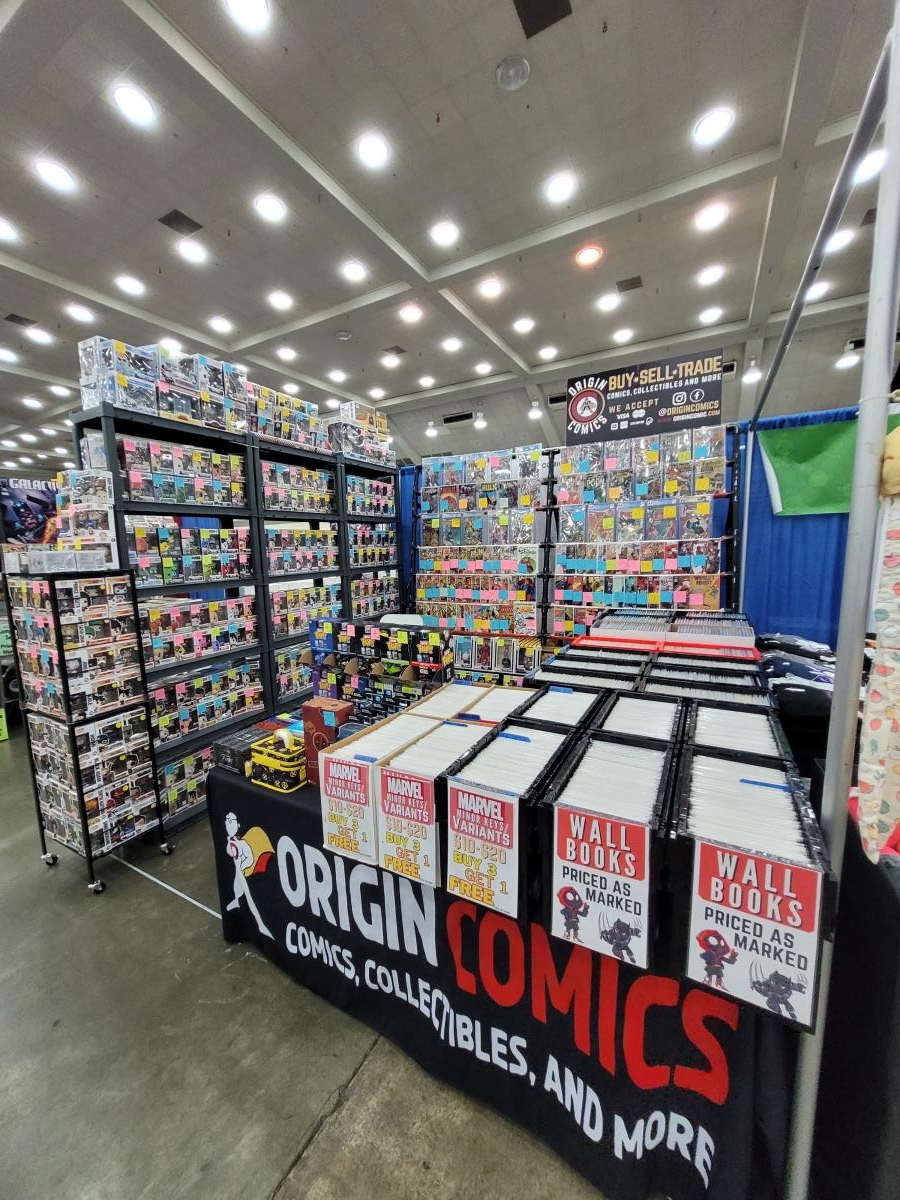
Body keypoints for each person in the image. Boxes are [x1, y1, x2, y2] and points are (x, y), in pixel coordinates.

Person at [224, 812, 274, 939]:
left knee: (249, 895)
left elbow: (250, 858)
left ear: (237, 824)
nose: (229, 823)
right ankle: (237, 901)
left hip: (243, 869)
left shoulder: (241, 843)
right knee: (238, 885)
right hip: (239, 870)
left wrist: (243, 866)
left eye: (231, 821)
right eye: (227, 821)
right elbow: (229, 851)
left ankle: (260, 924)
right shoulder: (232, 842)